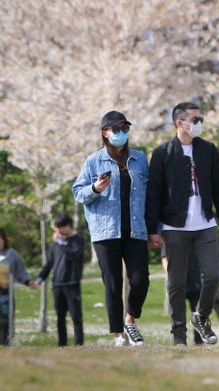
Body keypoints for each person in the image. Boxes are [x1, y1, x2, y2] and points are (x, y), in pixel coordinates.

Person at [146, 101, 219, 346]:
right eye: (195, 120)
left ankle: (201, 317)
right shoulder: (163, 153)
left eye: (200, 119)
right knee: (176, 283)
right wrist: (152, 228)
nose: (199, 124)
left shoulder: (208, 150)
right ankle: (178, 335)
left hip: (205, 224)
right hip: (174, 227)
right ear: (180, 123)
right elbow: (154, 193)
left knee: (213, 275)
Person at [72, 110, 161, 348]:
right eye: (117, 129)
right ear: (105, 133)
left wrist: (155, 228)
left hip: (136, 229)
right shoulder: (93, 161)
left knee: (141, 280)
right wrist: (96, 188)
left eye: (125, 129)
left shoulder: (140, 159)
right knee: (112, 284)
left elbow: (152, 196)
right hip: (105, 231)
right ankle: (118, 333)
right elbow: (78, 193)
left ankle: (130, 320)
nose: (122, 133)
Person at [160, 241, 219, 345]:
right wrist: (171, 275)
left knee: (199, 314)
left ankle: (199, 341)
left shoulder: (198, 238)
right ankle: (180, 339)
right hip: (179, 285)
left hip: (195, 283)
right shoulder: (175, 236)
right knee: (178, 314)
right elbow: (164, 258)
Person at [32, 213, 86, 346]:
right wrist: (39, 279)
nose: (57, 232)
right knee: (60, 317)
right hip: (57, 284)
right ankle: (62, 344)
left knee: (76, 317)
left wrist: (62, 243)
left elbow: (73, 255)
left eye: (59, 228)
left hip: (72, 284)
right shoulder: (55, 245)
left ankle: (78, 344)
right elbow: (49, 264)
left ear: (67, 226)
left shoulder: (79, 241)